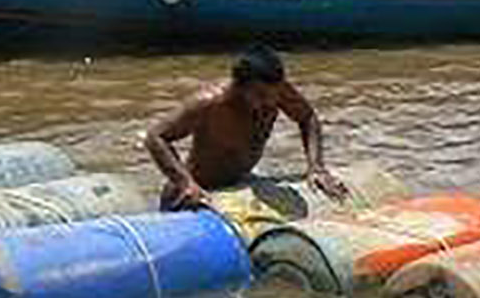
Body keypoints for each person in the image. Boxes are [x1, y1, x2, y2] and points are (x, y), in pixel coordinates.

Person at [143, 46, 346, 210]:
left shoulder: (276, 91)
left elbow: (307, 117)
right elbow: (156, 137)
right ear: (239, 86)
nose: (271, 102)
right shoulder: (210, 103)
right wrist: (185, 182)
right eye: (260, 95)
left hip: (239, 183)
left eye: (275, 94)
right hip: (195, 191)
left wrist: (316, 167)